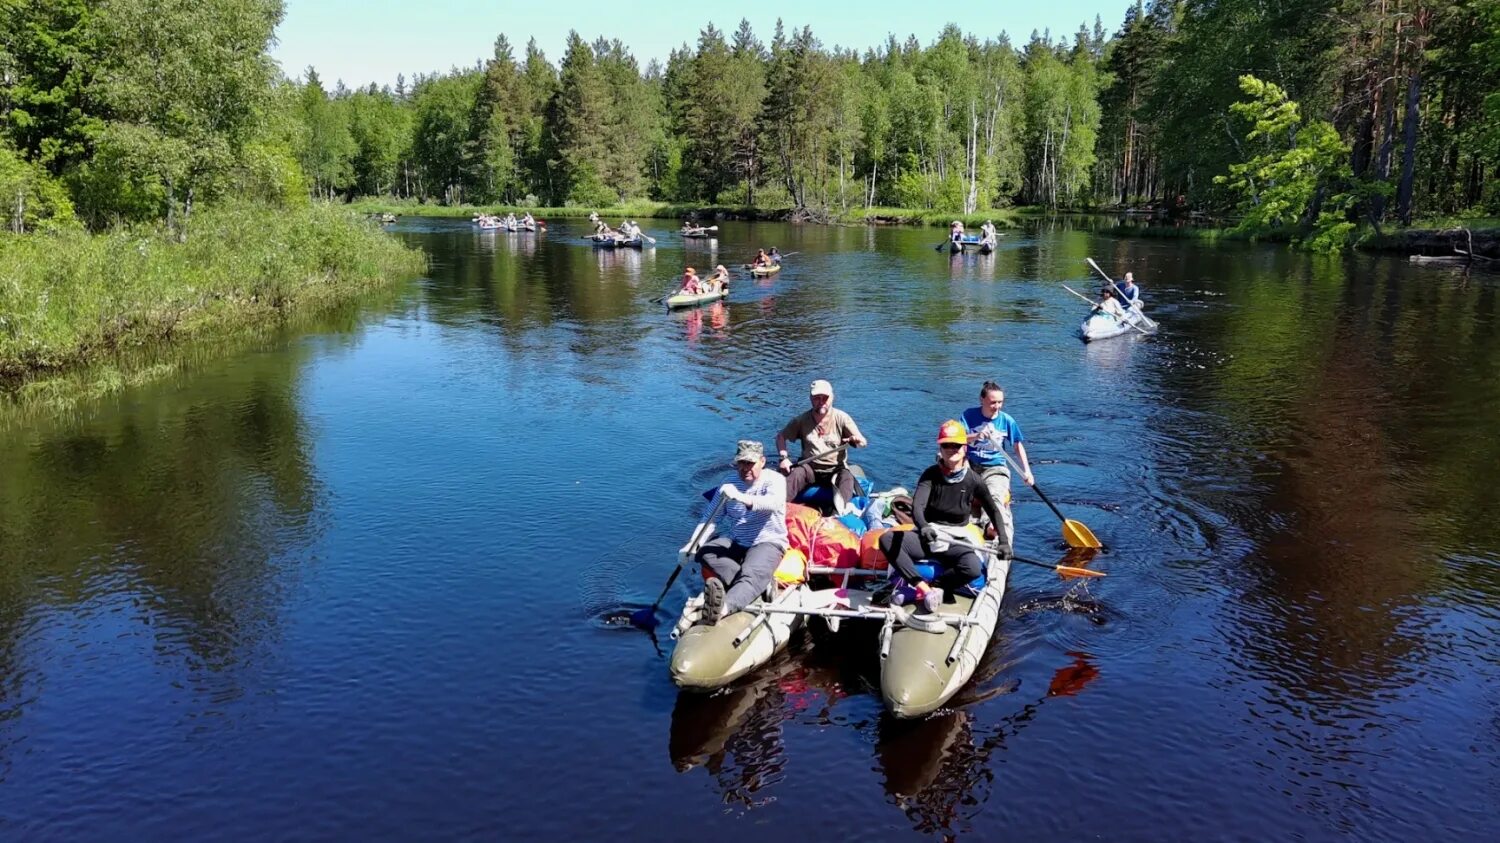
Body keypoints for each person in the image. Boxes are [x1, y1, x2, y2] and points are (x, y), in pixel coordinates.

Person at [877, 420, 1006, 618]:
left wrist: (1004, 542)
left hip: (956, 538)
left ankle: (939, 585)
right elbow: (918, 506)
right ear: (940, 448)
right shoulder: (930, 475)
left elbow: (994, 511)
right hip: (929, 535)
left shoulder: (974, 480)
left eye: (956, 445)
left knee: (972, 569)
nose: (951, 449)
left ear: (964, 448)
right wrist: (924, 526)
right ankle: (922, 588)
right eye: (946, 445)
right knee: (886, 539)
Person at [695, 440, 788, 625]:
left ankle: (722, 609)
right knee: (703, 551)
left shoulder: (776, 480)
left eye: (750, 463)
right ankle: (750, 582)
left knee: (752, 572)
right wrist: (692, 543)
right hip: (738, 541)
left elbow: (772, 503)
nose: (745, 468)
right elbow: (711, 517)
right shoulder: (728, 482)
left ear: (762, 461)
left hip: (769, 541)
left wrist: (740, 496)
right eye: (741, 463)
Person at [960, 381, 1034, 554]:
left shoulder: (1007, 420)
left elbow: (1017, 446)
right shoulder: (968, 415)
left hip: (996, 467)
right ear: (982, 400)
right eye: (993, 402)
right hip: (971, 465)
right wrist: (976, 435)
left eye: (1000, 402)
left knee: (993, 494)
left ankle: (991, 526)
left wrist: (1027, 471)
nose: (997, 406)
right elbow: (959, 438)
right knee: (961, 493)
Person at [776, 379, 868, 514]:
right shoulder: (801, 420)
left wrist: (855, 439)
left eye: (825, 398)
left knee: (847, 477)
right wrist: (783, 458)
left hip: (835, 469)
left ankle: (841, 514)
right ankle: (778, 509)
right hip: (810, 468)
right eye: (816, 398)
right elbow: (781, 437)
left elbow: (863, 442)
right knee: (796, 473)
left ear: (832, 397)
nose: (821, 401)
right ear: (810, 399)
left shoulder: (842, 418)